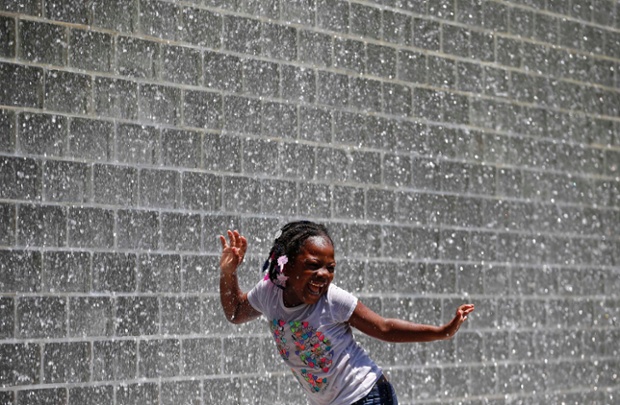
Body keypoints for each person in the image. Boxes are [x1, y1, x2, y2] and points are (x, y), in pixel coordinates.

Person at [219, 220, 474, 405]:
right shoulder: (269, 292)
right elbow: (236, 312)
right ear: (287, 264)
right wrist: (229, 273)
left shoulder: (332, 299)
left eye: (330, 267)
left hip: (367, 395)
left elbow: (384, 327)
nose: (323, 275)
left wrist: (442, 332)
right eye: (313, 265)